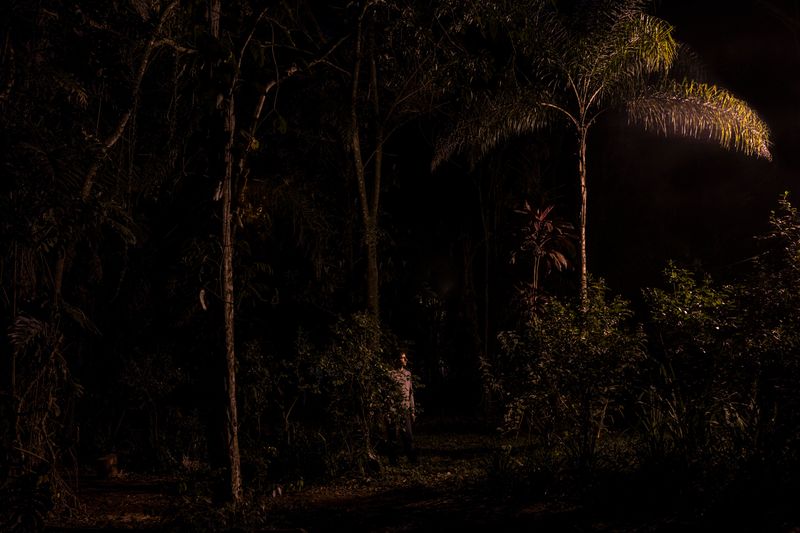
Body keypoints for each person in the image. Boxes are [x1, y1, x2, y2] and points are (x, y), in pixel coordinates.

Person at [387, 351, 417, 464]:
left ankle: (412, 460)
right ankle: (393, 461)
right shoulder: (390, 375)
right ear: (397, 359)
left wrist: (412, 411)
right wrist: (388, 411)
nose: (404, 360)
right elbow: (387, 394)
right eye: (402, 358)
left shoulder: (408, 374)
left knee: (408, 436)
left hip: (405, 410)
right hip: (393, 410)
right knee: (393, 436)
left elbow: (410, 393)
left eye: (405, 358)